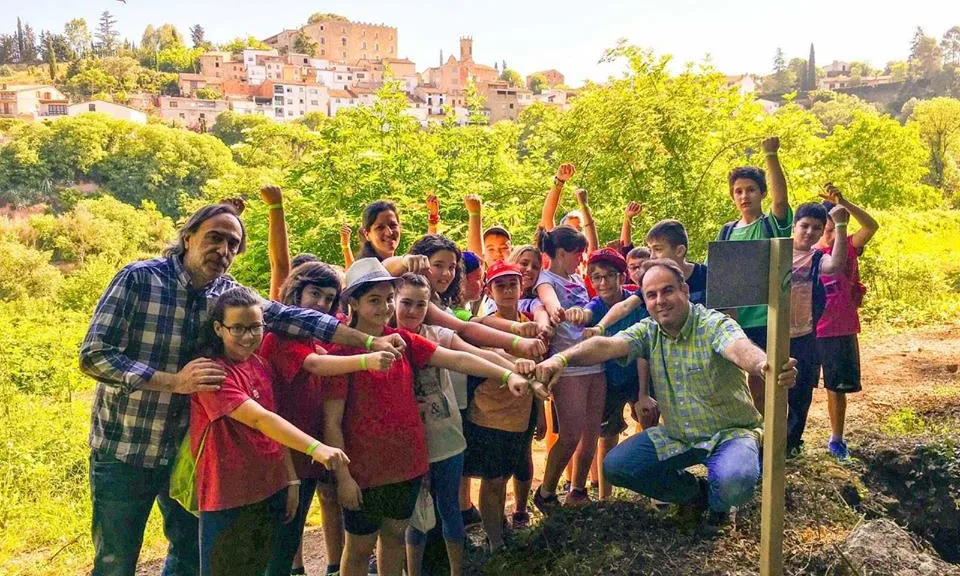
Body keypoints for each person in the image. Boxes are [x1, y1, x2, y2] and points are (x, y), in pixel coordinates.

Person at [79, 203, 405, 576]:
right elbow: (94, 355)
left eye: (233, 244)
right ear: (188, 237)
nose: (223, 250)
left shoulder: (227, 294)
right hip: (126, 446)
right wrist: (173, 381)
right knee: (115, 560)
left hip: (188, 451)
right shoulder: (140, 279)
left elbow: (295, 318)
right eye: (214, 238)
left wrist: (367, 342)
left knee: (188, 552)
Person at [535, 259, 799, 528]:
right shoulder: (649, 331)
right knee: (617, 466)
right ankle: (695, 495)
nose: (660, 300)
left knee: (735, 479)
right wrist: (561, 360)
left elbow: (738, 347)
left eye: (667, 290)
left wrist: (763, 365)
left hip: (730, 433)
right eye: (651, 295)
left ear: (684, 290)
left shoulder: (712, 323)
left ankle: (720, 509)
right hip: (679, 435)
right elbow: (607, 345)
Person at [323, 258, 534, 576]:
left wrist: (507, 376)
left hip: (406, 465)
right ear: (352, 301)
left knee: (394, 539)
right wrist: (343, 477)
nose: (383, 308)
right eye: (373, 300)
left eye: (387, 299)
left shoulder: (402, 341)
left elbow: (458, 357)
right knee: (359, 548)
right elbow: (332, 422)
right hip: (364, 472)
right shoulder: (339, 354)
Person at [192, 286, 350, 576]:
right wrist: (316, 448)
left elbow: (274, 423)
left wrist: (290, 479)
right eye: (237, 328)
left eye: (255, 327)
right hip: (228, 493)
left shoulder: (259, 364)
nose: (248, 336)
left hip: (269, 486)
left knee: (269, 566)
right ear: (218, 328)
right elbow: (260, 419)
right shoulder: (212, 373)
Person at [394, 272, 546, 574]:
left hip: (446, 436)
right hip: (406, 442)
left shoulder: (437, 335)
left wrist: (517, 372)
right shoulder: (383, 340)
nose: (413, 311)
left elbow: (472, 356)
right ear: (393, 301)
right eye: (406, 303)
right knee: (415, 514)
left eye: (420, 305)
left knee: (449, 509)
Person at [262, 262, 396, 576]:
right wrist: (368, 358)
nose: (321, 304)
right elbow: (316, 366)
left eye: (328, 298)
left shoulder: (313, 337)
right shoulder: (280, 337)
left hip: (307, 454)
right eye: (314, 294)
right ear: (296, 292)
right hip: (282, 458)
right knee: (277, 547)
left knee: (288, 538)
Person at [461, 262, 545, 550]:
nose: (508, 290)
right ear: (489, 290)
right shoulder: (483, 326)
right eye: (501, 285)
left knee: (509, 473)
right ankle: (494, 541)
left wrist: (541, 415)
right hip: (489, 416)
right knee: (493, 480)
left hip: (521, 417)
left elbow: (540, 372)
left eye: (513, 284)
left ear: (522, 287)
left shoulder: (532, 323)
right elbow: (486, 359)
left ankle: (502, 529)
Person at [531, 226, 607, 512]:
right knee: (571, 434)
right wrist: (558, 312)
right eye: (577, 253)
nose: (581, 258)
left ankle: (578, 490)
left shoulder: (576, 277)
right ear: (561, 253)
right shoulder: (546, 280)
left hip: (594, 361)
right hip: (569, 366)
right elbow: (550, 302)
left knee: (591, 432)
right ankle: (547, 491)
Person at [718, 137, 793, 411]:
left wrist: (771, 155)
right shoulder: (726, 231)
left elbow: (781, 200)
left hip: (767, 318)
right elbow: (718, 275)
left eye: (750, 190)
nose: (744, 196)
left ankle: (769, 445)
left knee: (765, 386)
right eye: (738, 191)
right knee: (737, 390)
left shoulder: (771, 224)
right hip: (733, 322)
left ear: (762, 193)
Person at [580, 249, 651, 501]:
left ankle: (650, 489)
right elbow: (587, 314)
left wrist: (643, 392)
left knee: (648, 422)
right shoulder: (594, 306)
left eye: (609, 276)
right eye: (596, 277)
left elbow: (644, 350)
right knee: (607, 435)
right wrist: (578, 317)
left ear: (622, 277)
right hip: (607, 380)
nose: (602, 283)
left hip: (637, 374)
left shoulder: (637, 303)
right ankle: (604, 497)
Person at [815, 184, 880, 462]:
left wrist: (844, 203)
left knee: (836, 387)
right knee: (799, 386)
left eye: (833, 229)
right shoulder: (810, 253)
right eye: (824, 230)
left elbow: (871, 225)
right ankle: (792, 437)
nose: (829, 236)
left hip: (840, 327)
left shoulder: (850, 247)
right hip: (809, 328)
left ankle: (837, 439)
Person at [787, 202, 850, 457]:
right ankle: (765, 443)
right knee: (770, 391)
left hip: (805, 335)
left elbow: (836, 264)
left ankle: (790, 444)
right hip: (773, 334)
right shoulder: (776, 251)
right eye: (804, 226)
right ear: (794, 227)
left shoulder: (817, 259)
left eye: (816, 228)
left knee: (800, 392)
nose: (809, 232)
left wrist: (842, 226)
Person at [585, 219, 708, 336]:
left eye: (658, 249)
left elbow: (725, 312)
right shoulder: (652, 281)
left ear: (680, 251)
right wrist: (600, 327)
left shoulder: (706, 275)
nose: (652, 256)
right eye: (650, 250)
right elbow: (625, 306)